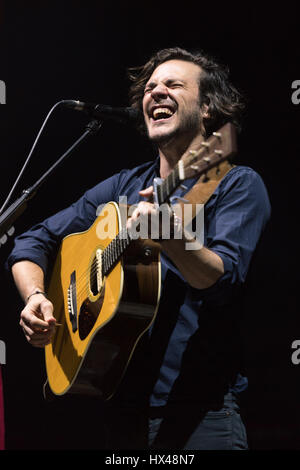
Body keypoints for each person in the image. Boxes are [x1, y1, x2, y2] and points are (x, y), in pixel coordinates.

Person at [7, 47, 271, 450]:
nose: (156, 92)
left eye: (173, 85)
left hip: (201, 417)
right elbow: (33, 239)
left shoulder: (233, 182)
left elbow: (222, 278)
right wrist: (36, 296)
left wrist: (168, 235)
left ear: (207, 109)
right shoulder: (122, 187)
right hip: (119, 413)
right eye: (150, 87)